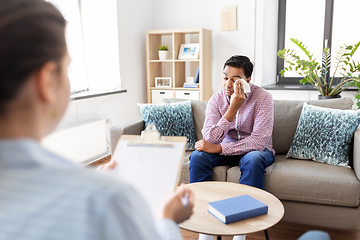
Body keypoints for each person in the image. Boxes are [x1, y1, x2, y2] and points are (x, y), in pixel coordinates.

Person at [0, 1, 193, 239]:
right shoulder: (105, 199)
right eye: (68, 68)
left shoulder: (97, 194)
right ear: (47, 81)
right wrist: (167, 219)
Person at [189, 55, 274, 240]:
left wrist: (220, 149)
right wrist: (231, 110)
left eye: (235, 80)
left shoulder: (264, 98)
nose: (228, 84)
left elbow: (259, 141)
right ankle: (205, 230)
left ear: (247, 81)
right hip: (226, 147)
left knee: (253, 159)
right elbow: (209, 137)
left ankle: (240, 233)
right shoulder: (216, 99)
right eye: (225, 78)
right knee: (197, 157)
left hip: (256, 152)